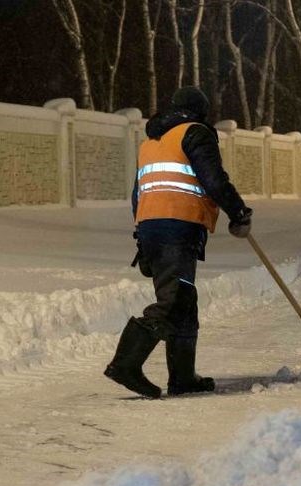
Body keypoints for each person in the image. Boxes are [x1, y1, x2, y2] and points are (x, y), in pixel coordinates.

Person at [104, 86, 253, 399]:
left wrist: (142, 233)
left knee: (184, 298)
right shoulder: (195, 133)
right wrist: (237, 211)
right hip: (178, 225)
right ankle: (125, 364)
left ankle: (183, 377)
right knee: (173, 301)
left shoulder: (152, 142)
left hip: (151, 226)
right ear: (201, 111)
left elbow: (138, 193)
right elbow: (213, 179)